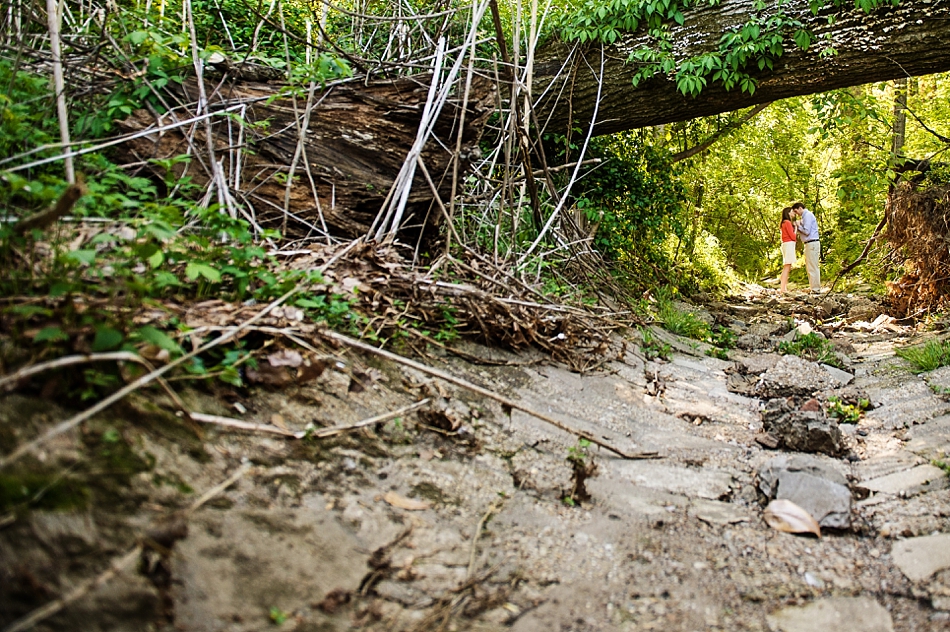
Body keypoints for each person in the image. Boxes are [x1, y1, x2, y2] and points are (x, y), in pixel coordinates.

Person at [792, 201, 820, 292]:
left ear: (800, 208)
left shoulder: (807, 215)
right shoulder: (805, 216)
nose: (796, 214)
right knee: (810, 266)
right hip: (809, 244)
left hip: (812, 243)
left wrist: (798, 226)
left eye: (796, 211)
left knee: (812, 267)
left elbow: (807, 231)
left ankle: (815, 289)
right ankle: (813, 287)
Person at [779, 207, 796, 294]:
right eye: (792, 212)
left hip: (785, 244)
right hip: (789, 244)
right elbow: (793, 236)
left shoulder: (783, 223)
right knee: (787, 266)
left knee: (787, 266)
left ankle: (783, 286)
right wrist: (796, 228)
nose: (794, 213)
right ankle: (783, 288)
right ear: (788, 213)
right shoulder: (788, 222)